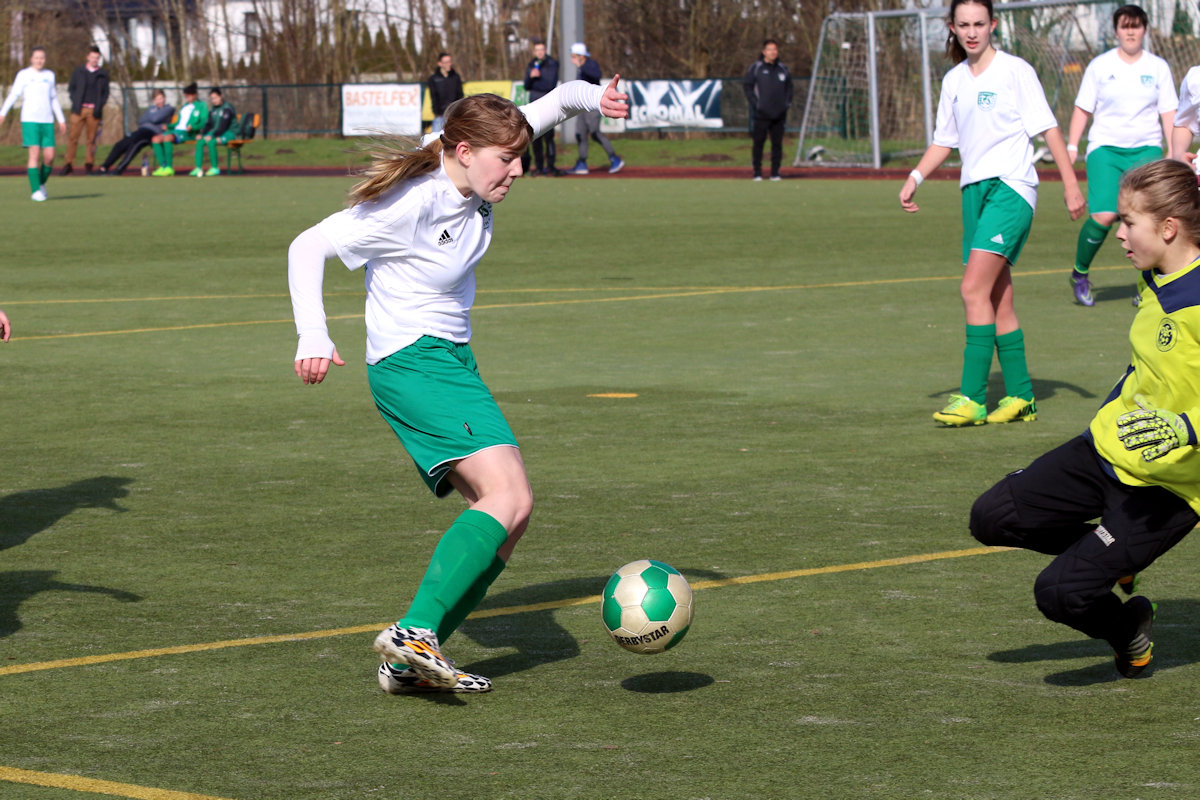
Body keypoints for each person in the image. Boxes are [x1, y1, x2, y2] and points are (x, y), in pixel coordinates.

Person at [287, 78, 629, 694]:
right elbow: (307, 245)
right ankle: (414, 631)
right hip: (413, 362)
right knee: (505, 495)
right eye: (507, 160)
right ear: (464, 150)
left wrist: (592, 97)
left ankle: (407, 664)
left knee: (514, 510)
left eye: (520, 156)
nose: (518, 170)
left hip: (449, 360)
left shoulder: (474, 149)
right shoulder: (412, 201)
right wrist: (313, 334)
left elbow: (553, 104)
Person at [971, 159, 1200, 678]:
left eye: (1127, 222)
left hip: (1168, 488)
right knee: (992, 517)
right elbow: (1147, 362)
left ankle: (1130, 628)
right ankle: (1115, 565)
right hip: (1104, 450)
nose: (1117, 233)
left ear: (1168, 228)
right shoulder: (1153, 278)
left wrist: (1186, 429)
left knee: (1059, 593)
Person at [899, 0, 1085, 427]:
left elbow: (1048, 128)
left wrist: (1071, 183)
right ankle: (1021, 396)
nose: (971, 32)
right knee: (997, 297)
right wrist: (915, 177)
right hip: (974, 192)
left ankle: (973, 397)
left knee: (971, 289)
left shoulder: (1016, 71)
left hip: (1011, 188)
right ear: (952, 27)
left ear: (993, 25)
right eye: (963, 25)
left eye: (979, 24)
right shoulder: (953, 80)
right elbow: (943, 141)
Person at [1066, 5, 1176, 307]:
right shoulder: (1100, 66)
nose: (1130, 32)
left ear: (1144, 30)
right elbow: (1083, 108)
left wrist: (1174, 151)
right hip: (1106, 149)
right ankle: (1080, 273)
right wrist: (1072, 146)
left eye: (1136, 26)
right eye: (1125, 26)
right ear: (1116, 31)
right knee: (1105, 215)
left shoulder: (1158, 67)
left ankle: (1148, 284)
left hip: (1147, 149)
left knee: (1148, 219)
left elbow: (1169, 111)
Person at [0, 46, 67, 202]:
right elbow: (13, 94)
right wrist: (2, 113)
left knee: (49, 157)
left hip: (47, 121)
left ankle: (41, 183)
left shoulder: (50, 75)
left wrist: (61, 119)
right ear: (31, 59)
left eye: (42, 58)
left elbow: (53, 98)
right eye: (36, 57)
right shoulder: (24, 75)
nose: (39, 60)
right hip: (30, 120)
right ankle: (35, 190)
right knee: (34, 155)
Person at [567, 43, 624, 175]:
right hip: (581, 107)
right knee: (580, 134)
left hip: (592, 105)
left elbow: (596, 75)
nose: (572, 58)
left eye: (574, 56)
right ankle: (582, 163)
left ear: (580, 56)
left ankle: (614, 159)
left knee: (594, 132)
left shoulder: (589, 64)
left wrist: (582, 66)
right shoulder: (580, 68)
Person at [742, 39, 793, 181]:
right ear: (764, 52)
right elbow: (747, 86)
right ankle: (757, 172)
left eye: (775, 49)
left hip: (779, 114)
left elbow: (789, 89)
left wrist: (786, 105)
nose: (773, 52)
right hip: (761, 114)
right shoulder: (756, 68)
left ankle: (775, 173)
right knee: (759, 143)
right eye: (770, 49)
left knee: (777, 144)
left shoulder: (783, 69)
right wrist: (756, 104)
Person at [95, 89, 175, 175]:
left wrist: (150, 118)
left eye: (161, 98)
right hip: (141, 130)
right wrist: (151, 118)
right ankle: (104, 167)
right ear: (154, 100)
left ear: (164, 98)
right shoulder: (152, 108)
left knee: (134, 146)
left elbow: (155, 119)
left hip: (152, 133)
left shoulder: (168, 109)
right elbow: (141, 120)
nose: (159, 101)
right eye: (157, 99)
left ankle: (118, 169)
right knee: (120, 144)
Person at [62, 45, 110, 175]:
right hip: (79, 110)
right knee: (73, 138)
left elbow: (106, 93)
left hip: (94, 111)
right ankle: (68, 164)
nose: (94, 60)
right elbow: (72, 88)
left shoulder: (103, 75)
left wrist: (99, 106)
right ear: (87, 57)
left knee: (92, 139)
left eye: (97, 58)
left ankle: (89, 164)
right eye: (92, 57)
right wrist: (76, 101)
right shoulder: (79, 72)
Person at [150, 83, 208, 176]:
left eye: (188, 96)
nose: (187, 98)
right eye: (185, 96)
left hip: (188, 133)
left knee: (167, 138)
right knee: (155, 139)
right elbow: (178, 123)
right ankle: (163, 166)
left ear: (194, 95)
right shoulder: (184, 106)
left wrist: (193, 127)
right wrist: (169, 126)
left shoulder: (201, 106)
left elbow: (204, 121)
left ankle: (169, 168)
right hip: (176, 131)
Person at [522, 37, 560, 176]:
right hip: (534, 103)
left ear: (545, 50)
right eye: (537, 50)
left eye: (542, 50)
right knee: (535, 136)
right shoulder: (532, 64)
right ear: (534, 51)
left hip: (548, 103)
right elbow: (527, 86)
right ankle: (539, 167)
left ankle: (551, 166)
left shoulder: (552, 63)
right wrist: (531, 77)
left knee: (549, 137)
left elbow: (550, 84)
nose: (539, 52)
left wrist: (537, 79)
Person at [191, 87, 238, 177]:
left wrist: (212, 136)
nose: (214, 100)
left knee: (211, 142)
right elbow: (208, 124)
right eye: (212, 98)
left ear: (221, 96)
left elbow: (223, 127)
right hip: (217, 132)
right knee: (200, 142)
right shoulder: (213, 110)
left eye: (216, 97)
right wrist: (202, 134)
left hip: (230, 133)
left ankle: (215, 168)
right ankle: (198, 168)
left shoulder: (227, 108)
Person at [428, 52, 464, 134]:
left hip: (454, 114)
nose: (449, 64)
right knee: (435, 139)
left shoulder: (455, 77)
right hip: (440, 115)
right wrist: (437, 112)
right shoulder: (433, 79)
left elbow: (460, 95)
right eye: (446, 62)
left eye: (450, 62)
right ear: (440, 64)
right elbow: (434, 97)